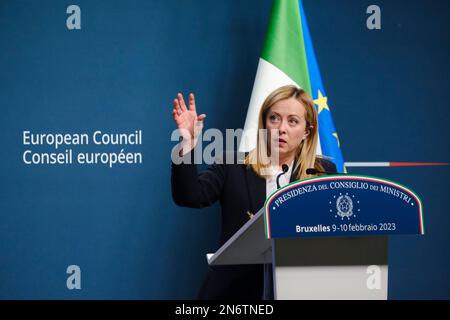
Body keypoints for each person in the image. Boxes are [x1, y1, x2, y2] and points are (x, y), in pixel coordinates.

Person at [170, 85, 337, 300]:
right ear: (264, 124)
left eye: (292, 121)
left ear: (307, 131)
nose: (281, 128)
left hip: (298, 289)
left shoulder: (322, 173)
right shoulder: (232, 165)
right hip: (234, 294)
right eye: (274, 118)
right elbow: (189, 196)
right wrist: (187, 144)